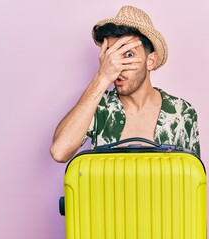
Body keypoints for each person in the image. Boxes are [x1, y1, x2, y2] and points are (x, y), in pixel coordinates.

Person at [50, 5, 200, 163]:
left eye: (128, 54)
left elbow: (192, 179)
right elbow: (59, 152)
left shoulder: (182, 112)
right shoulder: (98, 108)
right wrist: (102, 77)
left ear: (151, 60)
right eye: (112, 55)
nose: (117, 66)